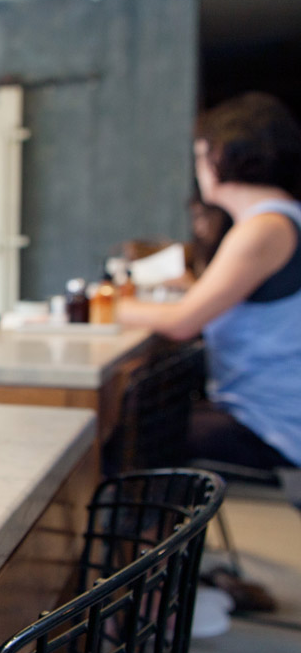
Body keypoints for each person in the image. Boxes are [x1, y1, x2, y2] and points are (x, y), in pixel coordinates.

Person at [117, 91, 301, 472]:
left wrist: (104, 304)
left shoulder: (265, 228)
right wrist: (191, 287)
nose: (199, 168)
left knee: (128, 434)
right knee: (143, 418)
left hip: (272, 423)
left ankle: (152, 532)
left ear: (226, 155)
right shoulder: (277, 218)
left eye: (201, 155)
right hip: (263, 408)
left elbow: (183, 323)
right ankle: (157, 528)